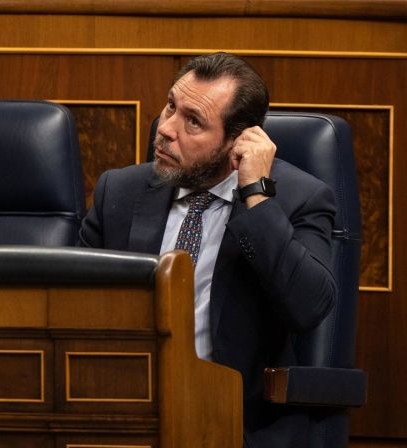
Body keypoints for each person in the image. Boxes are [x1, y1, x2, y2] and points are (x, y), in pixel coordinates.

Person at [78, 52, 336, 447]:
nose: (166, 128)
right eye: (170, 106)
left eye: (193, 122)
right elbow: (74, 305)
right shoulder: (120, 192)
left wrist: (256, 196)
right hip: (124, 412)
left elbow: (308, 308)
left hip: (237, 422)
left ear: (237, 141)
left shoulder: (298, 199)